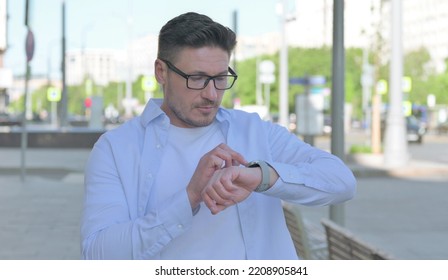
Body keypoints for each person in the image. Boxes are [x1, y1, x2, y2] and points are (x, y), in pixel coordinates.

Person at [81, 12, 356, 260]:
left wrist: (261, 176)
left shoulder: (255, 131)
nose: (212, 94)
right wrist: (189, 198)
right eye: (197, 78)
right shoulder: (116, 149)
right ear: (161, 72)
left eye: (221, 78)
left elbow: (342, 182)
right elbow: (98, 254)